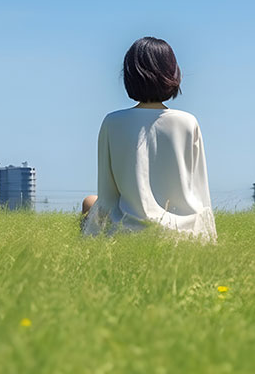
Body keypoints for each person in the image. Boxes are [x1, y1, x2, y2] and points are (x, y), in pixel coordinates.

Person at [81, 36, 217, 242]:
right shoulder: (188, 122)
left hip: (127, 232)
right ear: (172, 73)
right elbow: (199, 191)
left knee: (89, 201)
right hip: (182, 234)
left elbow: (107, 196)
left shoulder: (112, 122)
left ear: (130, 75)